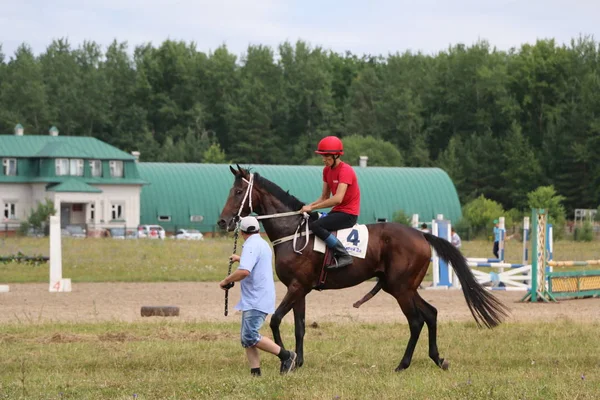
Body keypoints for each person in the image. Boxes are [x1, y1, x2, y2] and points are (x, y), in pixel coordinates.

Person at [219, 216, 297, 376]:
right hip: (259, 296)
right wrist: (240, 259)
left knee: (249, 336)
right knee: (246, 338)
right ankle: (255, 372)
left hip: (256, 298)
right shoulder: (262, 243)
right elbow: (255, 262)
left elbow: (244, 271)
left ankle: (286, 356)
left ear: (241, 231)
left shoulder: (251, 246)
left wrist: (226, 280)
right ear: (257, 229)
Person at [300, 136, 361, 269]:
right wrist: (308, 207)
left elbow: (337, 199)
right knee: (309, 218)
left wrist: (312, 207)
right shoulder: (326, 170)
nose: (324, 160)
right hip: (337, 212)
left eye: (327, 157)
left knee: (316, 226)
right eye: (323, 156)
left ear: (336, 156)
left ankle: (343, 254)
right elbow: (324, 197)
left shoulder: (346, 170)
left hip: (348, 214)